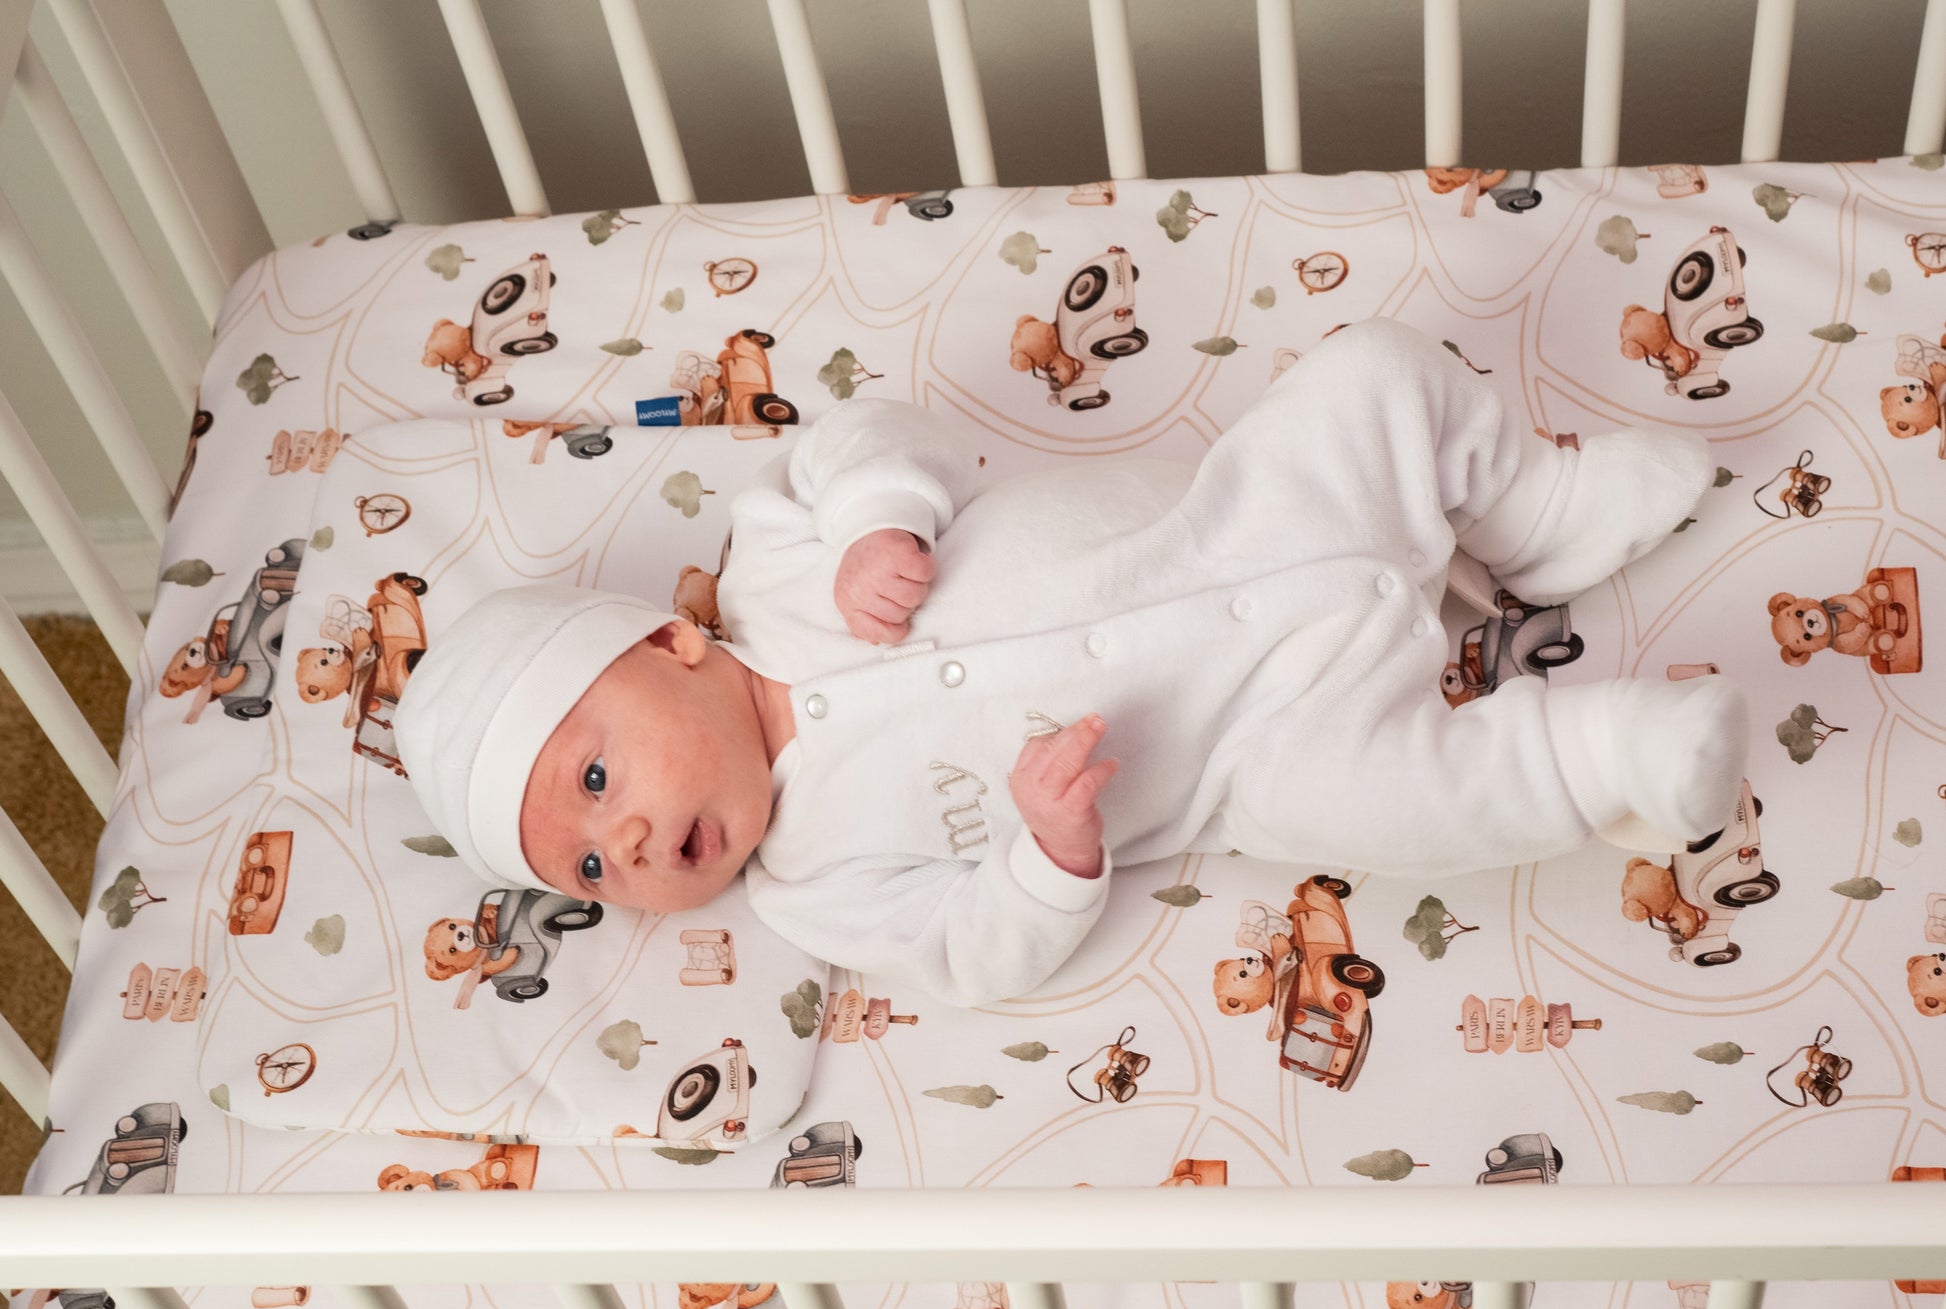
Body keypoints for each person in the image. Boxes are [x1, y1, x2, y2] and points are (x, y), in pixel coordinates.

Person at [394, 318, 1747, 1007]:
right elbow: (973, 952)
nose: (621, 841)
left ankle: (1533, 517)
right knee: (1401, 807)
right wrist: (1046, 851)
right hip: (1245, 743)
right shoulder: (815, 886)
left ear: (670, 644)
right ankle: (1610, 756)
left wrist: (880, 518)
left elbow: (864, 435)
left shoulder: (776, 560)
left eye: (589, 773)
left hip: (1248, 508)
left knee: (1377, 370)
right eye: (582, 866)